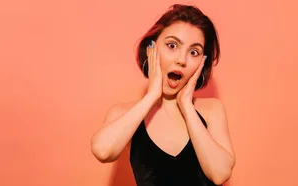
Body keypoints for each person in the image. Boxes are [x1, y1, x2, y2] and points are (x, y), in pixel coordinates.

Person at [90, 4, 235, 186]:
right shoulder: (124, 113)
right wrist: (151, 96)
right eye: (172, 45)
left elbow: (220, 173)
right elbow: (103, 151)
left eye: (194, 52)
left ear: (201, 63)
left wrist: (187, 107)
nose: (181, 60)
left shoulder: (211, 110)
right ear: (152, 49)